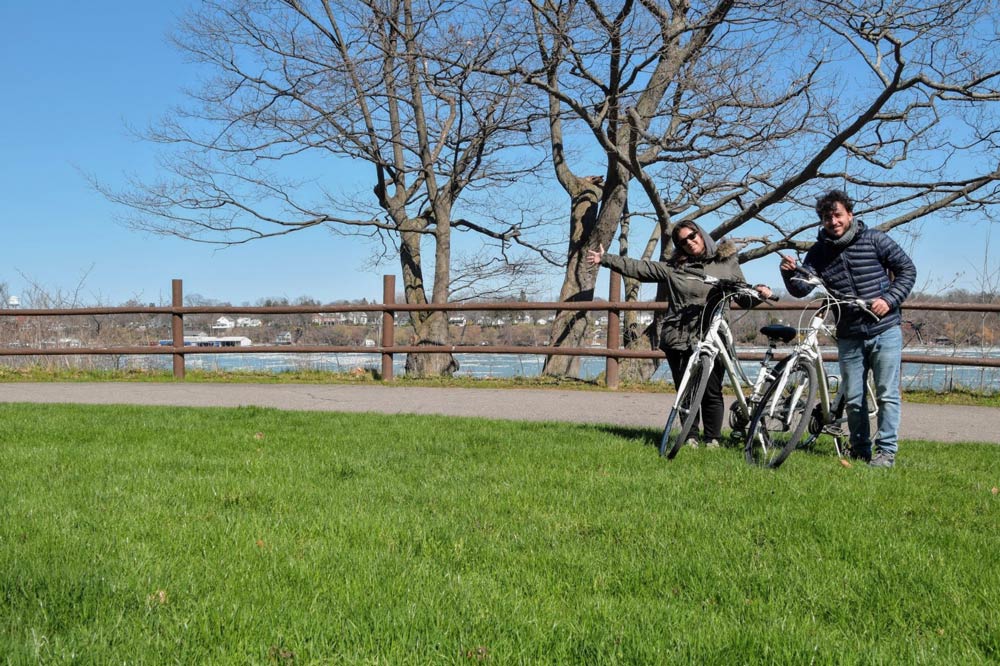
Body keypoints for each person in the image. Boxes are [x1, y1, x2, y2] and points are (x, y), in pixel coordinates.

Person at [586, 221, 772, 448]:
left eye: (692, 236)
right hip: (679, 334)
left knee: (712, 390)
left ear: (701, 233)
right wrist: (606, 260)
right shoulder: (675, 267)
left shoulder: (726, 262)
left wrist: (760, 293)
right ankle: (690, 436)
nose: (689, 242)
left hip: (713, 335)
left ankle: (713, 439)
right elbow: (641, 268)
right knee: (686, 390)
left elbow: (743, 295)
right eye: (683, 241)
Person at [780, 190, 916, 468]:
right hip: (849, 333)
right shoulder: (817, 253)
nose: (833, 221)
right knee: (854, 398)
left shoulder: (875, 239)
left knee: (887, 394)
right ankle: (860, 450)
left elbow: (907, 270)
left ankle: (886, 453)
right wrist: (788, 273)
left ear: (850, 215)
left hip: (885, 329)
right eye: (827, 217)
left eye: (837, 215)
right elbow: (802, 288)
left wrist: (888, 300)